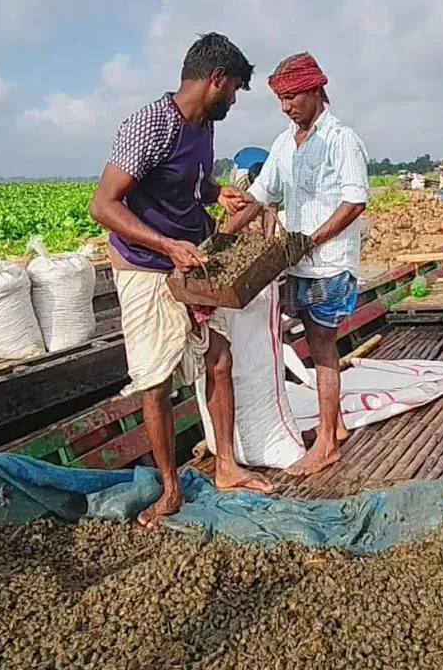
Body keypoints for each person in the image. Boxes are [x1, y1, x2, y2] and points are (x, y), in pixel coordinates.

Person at [88, 32, 274, 527]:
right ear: (215, 79)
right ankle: (170, 489)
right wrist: (166, 246)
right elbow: (103, 205)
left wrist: (218, 197)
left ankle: (227, 466)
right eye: (233, 88)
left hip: (192, 262)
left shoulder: (202, 126)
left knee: (219, 358)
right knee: (156, 380)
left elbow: (188, 184)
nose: (234, 100)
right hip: (147, 267)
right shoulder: (149, 126)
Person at [234, 52, 368, 477]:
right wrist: (225, 234)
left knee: (323, 350)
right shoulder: (283, 143)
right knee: (314, 344)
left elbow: (355, 200)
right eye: (281, 99)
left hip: (327, 262)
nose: (287, 106)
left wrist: (312, 240)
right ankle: (338, 425)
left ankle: (327, 444)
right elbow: (259, 194)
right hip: (297, 264)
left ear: (315, 91)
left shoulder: (340, 139)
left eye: (293, 97)